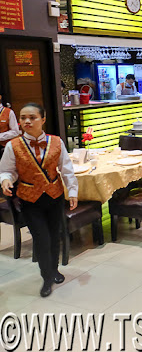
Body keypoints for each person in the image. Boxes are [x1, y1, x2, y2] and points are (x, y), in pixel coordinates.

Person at [0, 103, 78, 297]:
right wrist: (6, 180)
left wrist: (73, 191)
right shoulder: (13, 145)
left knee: (54, 236)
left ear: (43, 119)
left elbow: (66, 169)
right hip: (30, 200)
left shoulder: (56, 142)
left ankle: (54, 269)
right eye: (23, 117)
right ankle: (46, 277)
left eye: (32, 117)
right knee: (42, 239)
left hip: (54, 196)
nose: (27, 121)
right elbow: (7, 170)